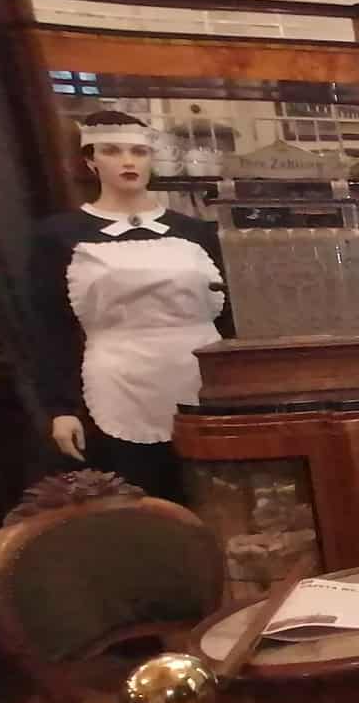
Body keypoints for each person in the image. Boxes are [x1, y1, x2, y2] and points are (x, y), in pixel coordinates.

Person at [28, 110, 235, 500]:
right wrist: (60, 407)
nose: (128, 161)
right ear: (90, 160)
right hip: (120, 380)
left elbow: (229, 318)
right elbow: (49, 327)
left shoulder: (196, 232)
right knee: (139, 494)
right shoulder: (60, 236)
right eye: (112, 151)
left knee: (219, 492)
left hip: (201, 376)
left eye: (138, 152)